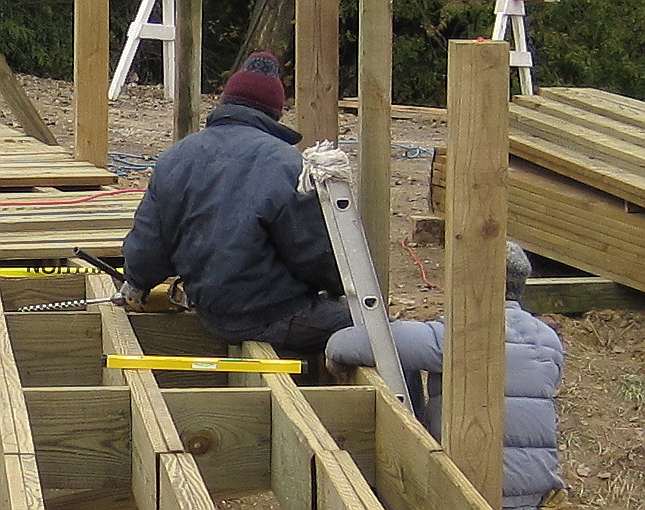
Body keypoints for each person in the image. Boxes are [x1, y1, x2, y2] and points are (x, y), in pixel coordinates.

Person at [121, 51, 351, 352]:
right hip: (274, 315)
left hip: (212, 315)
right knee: (373, 335)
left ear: (226, 104)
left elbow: (150, 241)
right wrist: (341, 288)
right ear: (275, 113)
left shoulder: (176, 156)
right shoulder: (287, 164)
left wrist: (137, 282)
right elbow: (314, 253)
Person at [325, 241, 568, 509]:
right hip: (533, 494)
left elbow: (353, 344)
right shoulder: (548, 340)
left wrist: (334, 356)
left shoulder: (456, 336)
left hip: (469, 491)